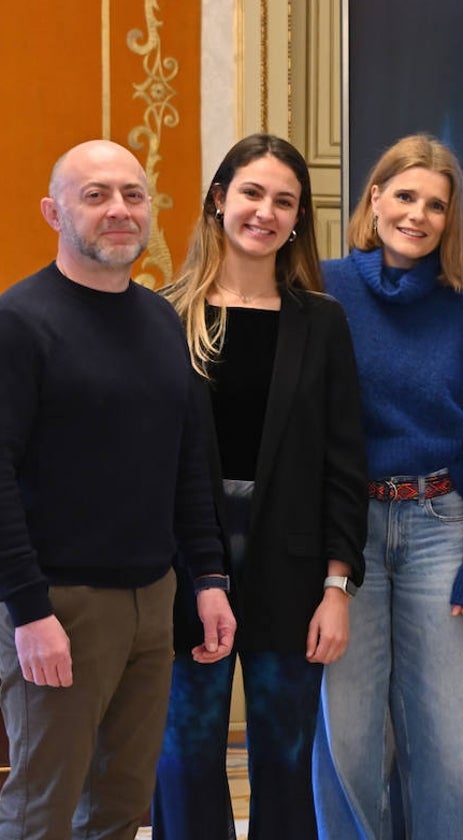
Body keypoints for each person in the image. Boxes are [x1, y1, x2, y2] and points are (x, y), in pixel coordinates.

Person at [0, 140, 236, 838]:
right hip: (59, 608)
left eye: (133, 194)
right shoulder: (18, 322)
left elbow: (187, 464)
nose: (119, 210)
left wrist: (210, 576)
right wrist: (29, 612)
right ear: (54, 211)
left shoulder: (161, 320)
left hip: (153, 601)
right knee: (43, 810)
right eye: (95, 194)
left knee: (121, 805)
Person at [152, 134, 368, 840]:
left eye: (285, 202)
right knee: (184, 753)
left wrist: (337, 589)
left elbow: (344, 463)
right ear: (219, 199)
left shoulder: (323, 323)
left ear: (299, 219)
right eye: (251, 193)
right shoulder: (165, 314)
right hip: (188, 561)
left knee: (285, 754)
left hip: (294, 565)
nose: (265, 212)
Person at [312, 134, 463, 839]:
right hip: (346, 536)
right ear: (375, 199)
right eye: (405, 196)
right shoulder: (323, 287)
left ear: (450, 220)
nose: (418, 216)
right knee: (351, 743)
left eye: (436, 205)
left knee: (453, 750)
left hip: (440, 528)